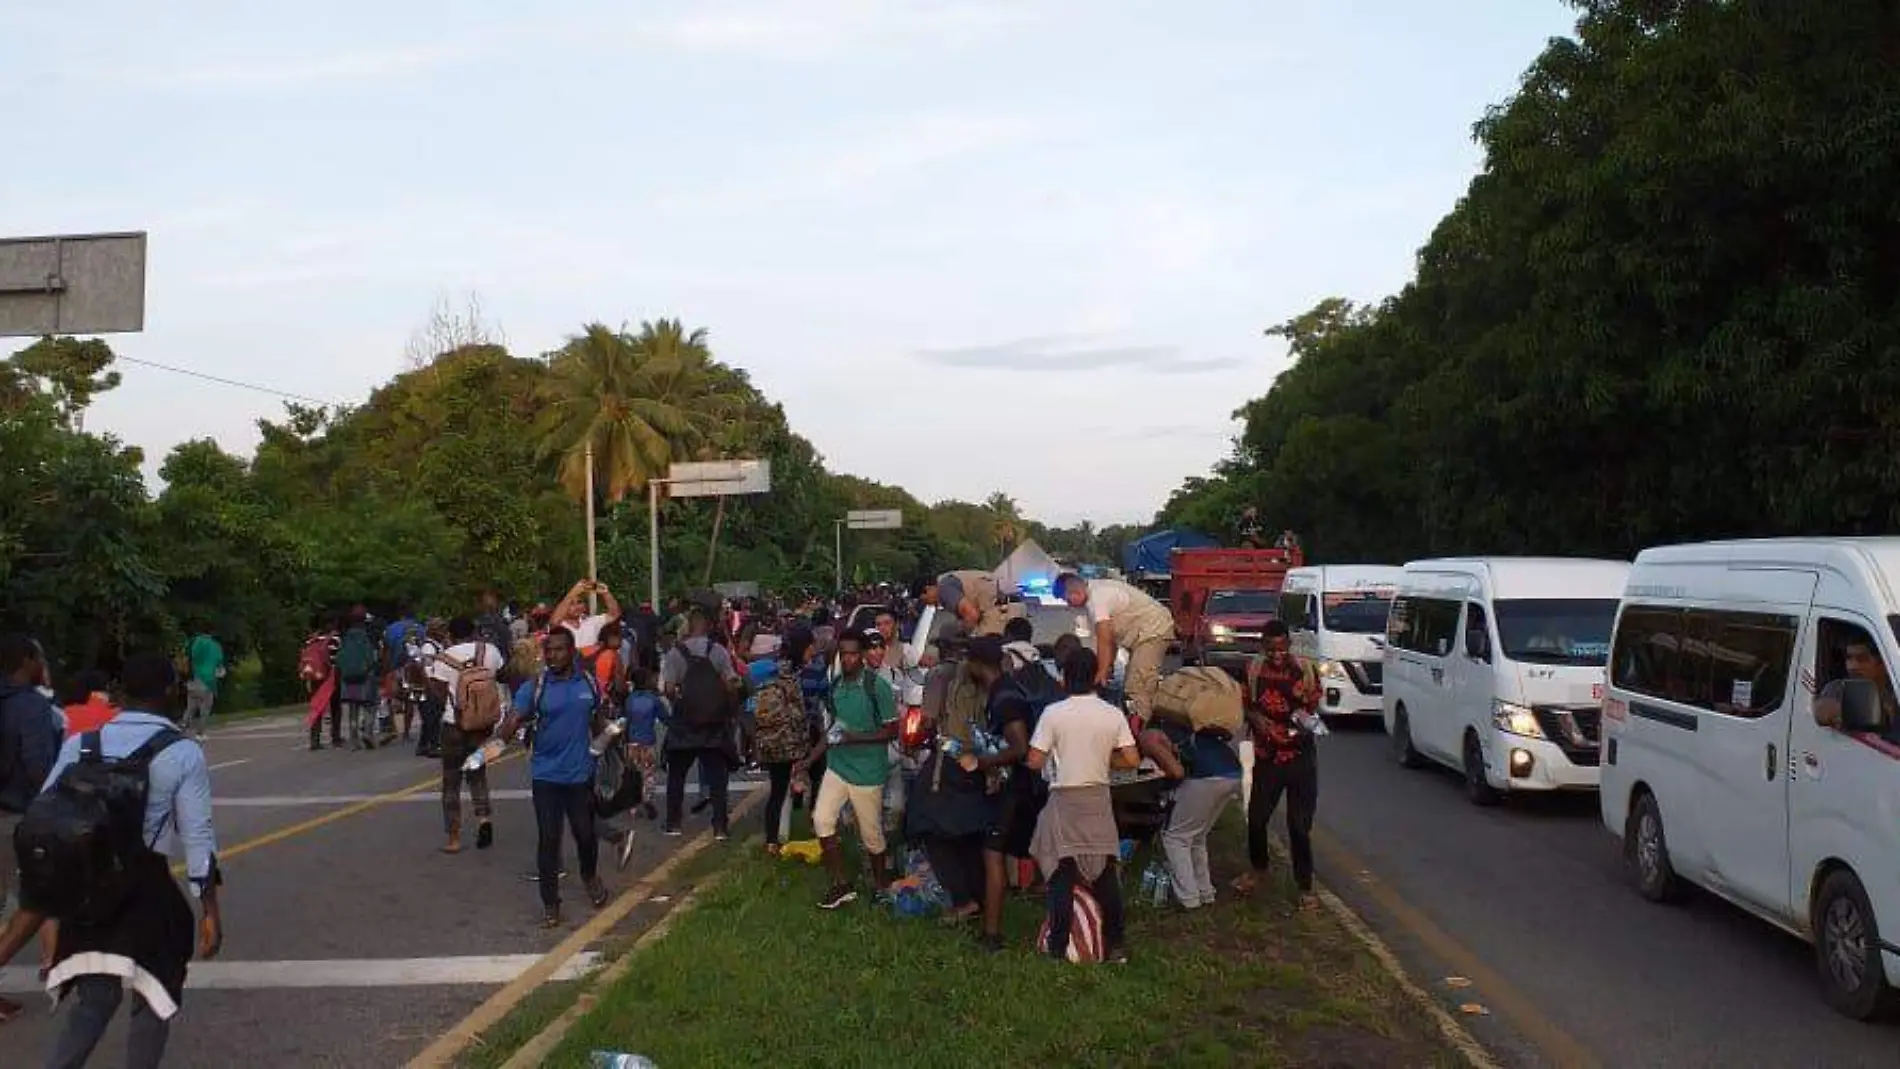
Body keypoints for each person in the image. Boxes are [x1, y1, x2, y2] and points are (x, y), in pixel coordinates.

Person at [0, 652, 222, 1065]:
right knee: (153, 996)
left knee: (95, 998)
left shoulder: (81, 744)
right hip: (146, 890)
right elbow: (198, 838)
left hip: (87, 890)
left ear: (122, 693)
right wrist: (209, 908)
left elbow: (44, 815)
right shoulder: (182, 751)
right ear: (171, 690)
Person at [1026, 648, 1138, 964]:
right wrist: (1103, 758)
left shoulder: (1053, 713)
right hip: (1098, 800)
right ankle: (1116, 945)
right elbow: (1131, 759)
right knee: (1105, 875)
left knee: (1061, 877)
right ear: (1095, 677)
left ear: (1062, 677)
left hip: (1064, 801)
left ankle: (1058, 947)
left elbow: (1035, 761)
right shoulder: (1111, 714)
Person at [501, 629, 611, 927]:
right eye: (548, 650)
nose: (553, 656)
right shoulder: (536, 686)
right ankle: (551, 903)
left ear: (572, 652)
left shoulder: (588, 683)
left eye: (559, 650)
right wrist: (505, 730)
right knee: (549, 838)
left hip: (581, 774)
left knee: (585, 833)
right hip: (546, 774)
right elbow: (513, 718)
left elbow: (598, 720)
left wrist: (608, 744)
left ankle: (590, 876)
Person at [802, 631, 900, 910]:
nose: (848, 659)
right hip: (837, 766)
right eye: (843, 654)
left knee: (871, 834)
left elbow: (892, 730)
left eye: (853, 654)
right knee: (822, 821)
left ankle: (881, 886)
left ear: (863, 655)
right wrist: (809, 760)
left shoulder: (876, 687)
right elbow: (833, 729)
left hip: (868, 771)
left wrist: (855, 738)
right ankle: (840, 885)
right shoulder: (835, 686)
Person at [975, 636, 1059, 948]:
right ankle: (1057, 918)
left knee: (993, 853)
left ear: (977, 664)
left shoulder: (1004, 696)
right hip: (1029, 783)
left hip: (1016, 786)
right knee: (1038, 850)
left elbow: (1020, 747)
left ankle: (992, 934)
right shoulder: (1009, 688)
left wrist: (985, 761)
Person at [0, 634, 63, 1024]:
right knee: (40, 900)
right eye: (40, 657)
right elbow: (40, 766)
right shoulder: (30, 706)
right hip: (18, 816)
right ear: (27, 661)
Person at [1238, 619, 1323, 907]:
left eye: (1282, 647)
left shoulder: (1306, 670)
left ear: (1289, 643)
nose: (1277, 653)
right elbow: (1245, 704)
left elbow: (1313, 711)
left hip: (1300, 759)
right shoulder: (1252, 670)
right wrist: (1255, 718)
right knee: (1257, 819)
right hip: (1267, 759)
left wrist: (1298, 726)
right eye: (1271, 648)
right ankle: (1258, 869)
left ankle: (1305, 888)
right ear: (1263, 646)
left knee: (1299, 827)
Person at [1143, 711, 1244, 910]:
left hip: (1205, 776)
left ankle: (1188, 899)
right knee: (1197, 836)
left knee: (1175, 837)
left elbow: (1177, 772)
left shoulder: (1149, 735)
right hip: (1231, 772)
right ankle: (1205, 892)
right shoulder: (1191, 724)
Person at [1054, 571, 1174, 731]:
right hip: (1146, 632)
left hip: (1153, 631)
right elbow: (1109, 640)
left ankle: (1138, 734)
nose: (1069, 605)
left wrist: (1101, 673)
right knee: (1134, 682)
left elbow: (1105, 641)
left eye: (1067, 600)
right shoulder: (1095, 591)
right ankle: (1140, 722)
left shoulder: (1097, 599)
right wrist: (1106, 668)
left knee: (1137, 685)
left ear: (1074, 592)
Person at [659, 606, 740, 838]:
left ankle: (674, 823)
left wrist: (680, 699)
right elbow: (731, 683)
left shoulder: (676, 653)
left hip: (685, 723)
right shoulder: (719, 652)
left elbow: (668, 688)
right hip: (713, 723)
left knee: (677, 775)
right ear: (709, 626)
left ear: (689, 625)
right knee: (717, 776)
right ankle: (720, 826)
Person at [429, 617, 504, 855]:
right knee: (477, 774)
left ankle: (453, 837)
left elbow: (439, 695)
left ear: (450, 635)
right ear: (474, 632)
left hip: (455, 724)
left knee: (451, 781)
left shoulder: (443, 659)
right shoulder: (489, 651)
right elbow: (500, 675)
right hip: (483, 725)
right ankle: (483, 819)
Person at [752, 630, 816, 854]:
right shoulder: (797, 676)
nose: (813, 651)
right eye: (811, 646)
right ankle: (805, 828)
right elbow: (800, 713)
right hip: (790, 741)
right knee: (807, 779)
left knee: (777, 791)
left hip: (770, 741)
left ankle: (772, 840)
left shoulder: (770, 669)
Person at [917, 570, 1023, 638]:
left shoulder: (944, 588)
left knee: (983, 653)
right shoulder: (949, 581)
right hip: (1013, 607)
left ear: (928, 589)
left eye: (926, 601)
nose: (930, 605)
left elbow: (972, 615)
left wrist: (961, 637)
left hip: (1000, 611)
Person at [334, 609, 381, 750]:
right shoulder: (368, 636)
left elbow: (339, 658)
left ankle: (354, 739)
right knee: (370, 705)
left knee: (353, 708)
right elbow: (373, 657)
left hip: (347, 677)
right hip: (366, 676)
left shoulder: (345, 637)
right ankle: (367, 732)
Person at [181, 630, 224, 742]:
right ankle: (200, 732)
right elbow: (219, 664)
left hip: (193, 678)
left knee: (190, 706)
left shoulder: (193, 642)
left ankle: (182, 727)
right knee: (205, 708)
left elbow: (188, 657)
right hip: (208, 680)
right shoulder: (215, 645)